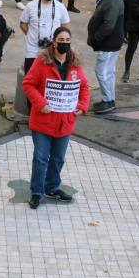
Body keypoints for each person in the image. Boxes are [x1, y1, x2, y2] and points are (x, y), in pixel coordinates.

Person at [22, 27, 89, 209]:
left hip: (65, 122)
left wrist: (82, 106)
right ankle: (36, 192)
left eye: (68, 39)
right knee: (41, 158)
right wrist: (41, 103)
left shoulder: (75, 64)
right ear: (54, 41)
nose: (64, 42)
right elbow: (28, 84)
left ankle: (52, 188)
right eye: (61, 39)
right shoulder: (42, 61)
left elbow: (84, 88)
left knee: (58, 158)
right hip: (43, 120)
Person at [19, 0, 71, 75]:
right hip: (32, 51)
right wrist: (31, 35)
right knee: (30, 80)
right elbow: (23, 24)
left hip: (53, 51)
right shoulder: (31, 6)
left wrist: (58, 40)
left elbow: (66, 26)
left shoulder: (60, 7)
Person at [88, 0, 124, 114]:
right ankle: (108, 99)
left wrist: (97, 37)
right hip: (110, 42)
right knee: (108, 72)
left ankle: (108, 100)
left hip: (109, 43)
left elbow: (109, 24)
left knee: (102, 71)